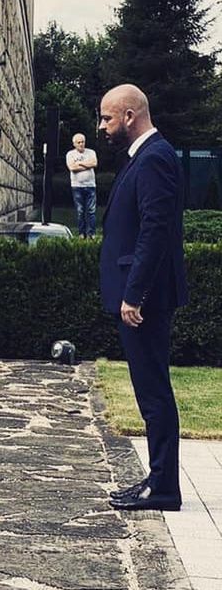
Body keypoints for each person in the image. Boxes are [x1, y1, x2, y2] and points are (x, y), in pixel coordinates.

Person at [99, 84, 187, 511]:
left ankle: (165, 488)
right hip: (140, 296)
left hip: (144, 301)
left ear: (130, 116)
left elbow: (155, 231)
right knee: (149, 390)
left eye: (107, 118)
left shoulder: (154, 159)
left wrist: (135, 294)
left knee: (154, 393)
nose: (102, 127)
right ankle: (157, 479)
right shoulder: (146, 158)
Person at [66, 133, 98, 237]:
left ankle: (91, 234)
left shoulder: (91, 152)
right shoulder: (70, 154)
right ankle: (81, 233)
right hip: (77, 186)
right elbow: (72, 168)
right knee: (80, 211)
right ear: (74, 144)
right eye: (79, 142)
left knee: (91, 211)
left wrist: (80, 164)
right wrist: (87, 165)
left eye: (83, 142)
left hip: (91, 185)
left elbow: (94, 164)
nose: (81, 144)